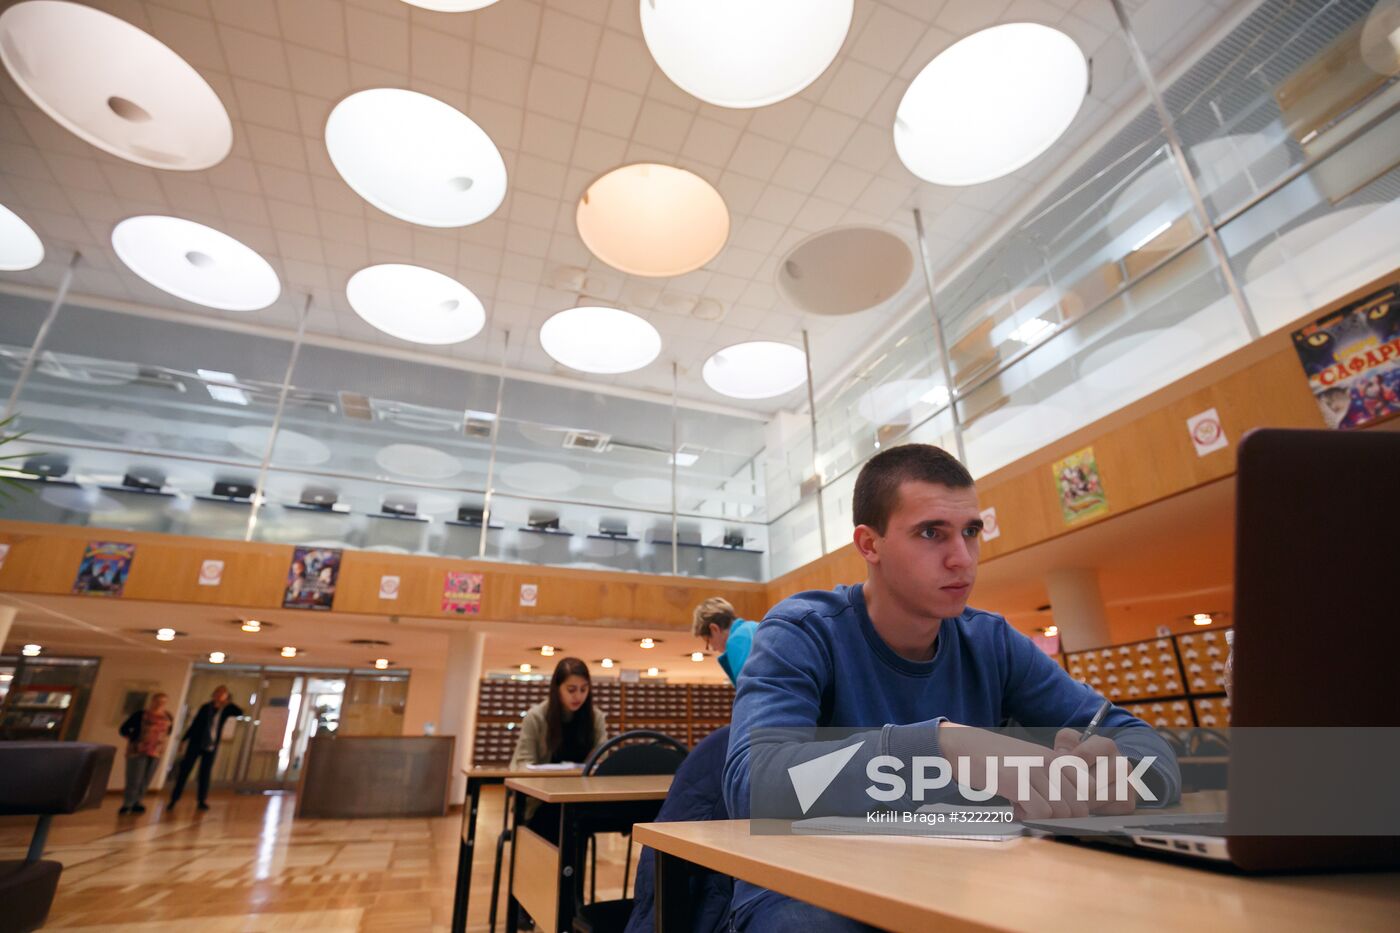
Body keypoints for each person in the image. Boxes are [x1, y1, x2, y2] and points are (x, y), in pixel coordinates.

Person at [723, 444, 1181, 932]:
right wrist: (941, 745)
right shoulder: (802, 630)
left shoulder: (992, 641)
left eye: (971, 532)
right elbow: (753, 783)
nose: (962, 559)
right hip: (810, 890)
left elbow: (1144, 743)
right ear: (869, 544)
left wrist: (1122, 776)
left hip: (962, 879)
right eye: (930, 533)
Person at [510, 657, 608, 840]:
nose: (578, 696)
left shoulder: (596, 718)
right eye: (571, 689)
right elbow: (523, 763)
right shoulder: (536, 717)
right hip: (541, 801)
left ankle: (572, 868)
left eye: (583, 689)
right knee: (557, 819)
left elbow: (602, 758)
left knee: (577, 821)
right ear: (557, 689)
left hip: (579, 799)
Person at [168, 685, 244, 811]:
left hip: (211, 745)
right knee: (185, 770)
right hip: (196, 743)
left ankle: (201, 800)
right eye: (218, 693)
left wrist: (228, 703)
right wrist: (184, 739)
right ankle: (174, 799)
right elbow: (195, 724)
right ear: (214, 694)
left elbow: (239, 712)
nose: (220, 696)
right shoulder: (205, 708)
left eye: (223, 694)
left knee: (205, 773)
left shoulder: (226, 709)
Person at [117, 692, 173, 815]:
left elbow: (168, 732)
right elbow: (123, 729)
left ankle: (138, 801)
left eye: (163, 702)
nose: (160, 704)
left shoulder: (168, 716)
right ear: (152, 701)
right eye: (157, 701)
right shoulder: (140, 715)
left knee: (146, 778)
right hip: (138, 750)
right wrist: (134, 739)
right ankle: (128, 803)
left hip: (156, 752)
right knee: (134, 778)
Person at [691, 597, 755, 686]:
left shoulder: (737, 640)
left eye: (708, 641)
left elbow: (750, 689)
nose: (712, 649)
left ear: (714, 629)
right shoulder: (751, 628)